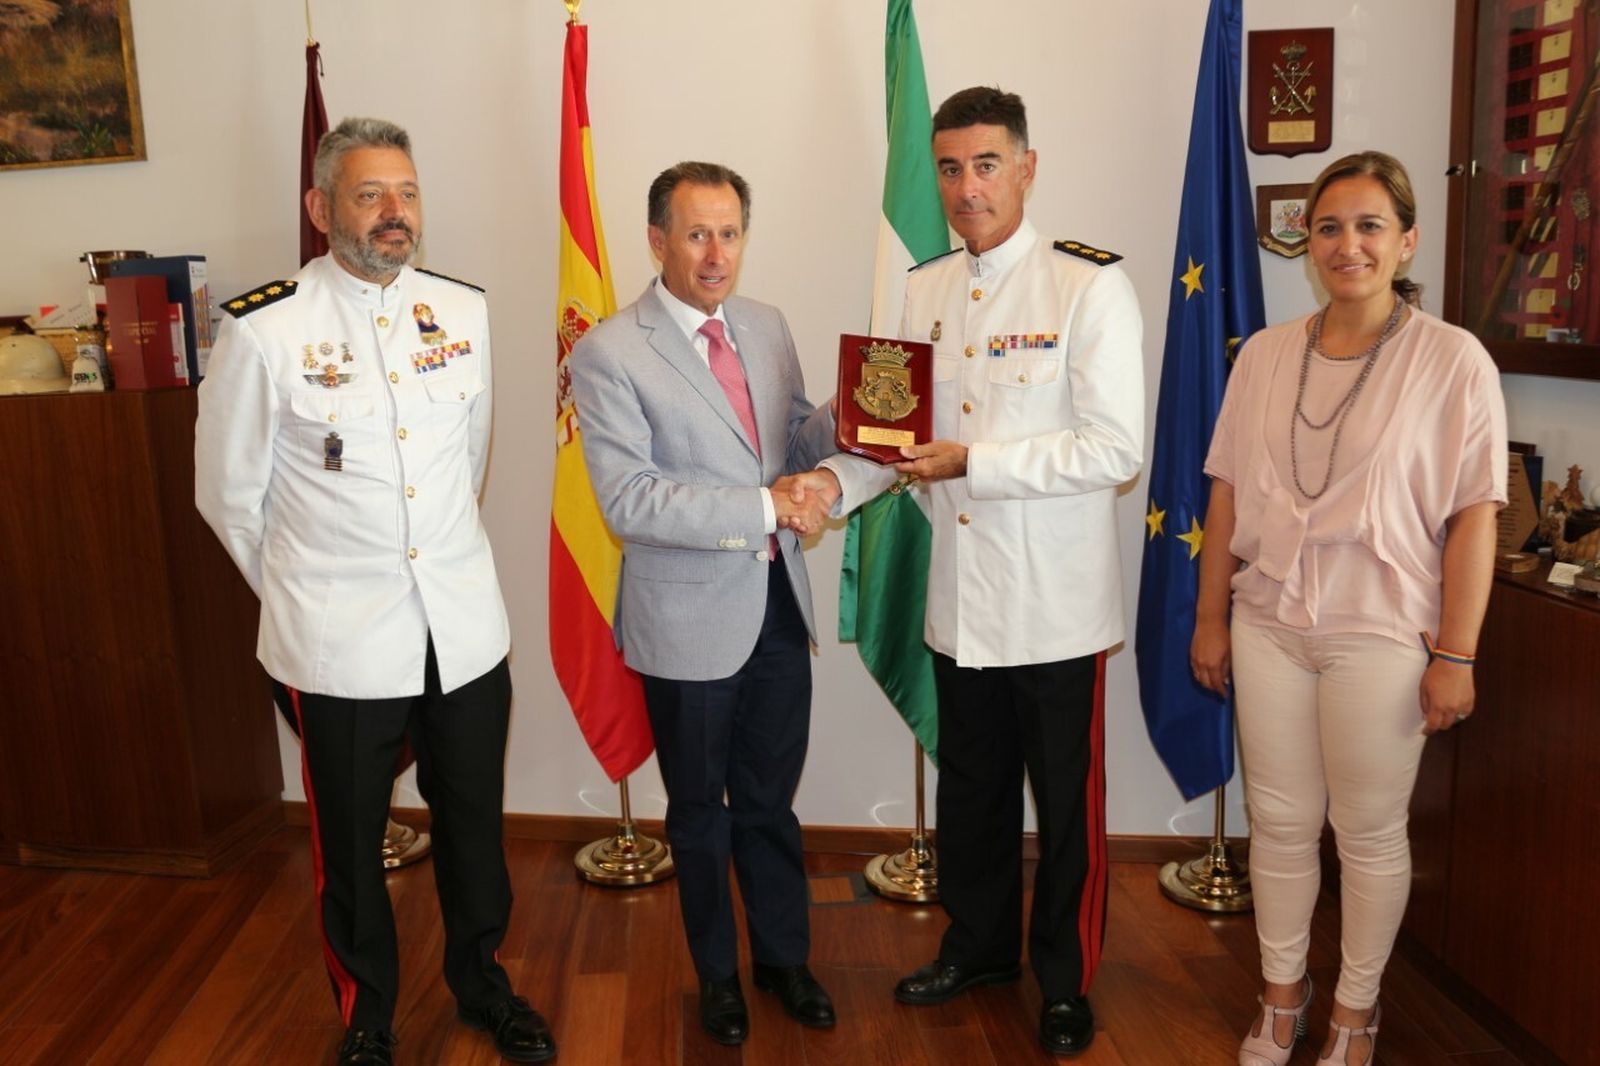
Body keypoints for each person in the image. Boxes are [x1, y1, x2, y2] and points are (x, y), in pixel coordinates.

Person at [195, 117, 554, 1066]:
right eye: (369, 195)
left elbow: (463, 464)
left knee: (474, 825)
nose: (396, 214)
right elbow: (229, 499)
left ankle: (484, 986)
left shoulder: (462, 311)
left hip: (464, 630)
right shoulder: (263, 327)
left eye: (407, 193)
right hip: (338, 641)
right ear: (320, 209)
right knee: (351, 848)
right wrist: (307, 594)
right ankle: (366, 1014)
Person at [810, 86, 1145, 1056]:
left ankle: (1064, 981)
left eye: (986, 163)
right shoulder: (920, 290)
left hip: (1055, 607)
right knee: (973, 793)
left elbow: (1113, 450)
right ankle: (980, 944)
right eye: (950, 167)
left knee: (1068, 812)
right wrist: (824, 488)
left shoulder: (1087, 285)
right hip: (962, 601)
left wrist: (976, 463)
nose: (966, 187)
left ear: (1027, 167)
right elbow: (892, 437)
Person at [1190, 151, 1507, 1066]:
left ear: (1406, 241)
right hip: (1269, 623)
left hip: (1383, 630)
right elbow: (1225, 492)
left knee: (1367, 834)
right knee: (1282, 824)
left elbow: (1475, 518)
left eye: (1370, 226)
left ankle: (1355, 1013)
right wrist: (1211, 617)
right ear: (1305, 242)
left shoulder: (1453, 361)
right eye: (1329, 226)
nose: (1347, 244)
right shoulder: (1265, 353)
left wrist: (1459, 654)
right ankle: (1282, 999)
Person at [567, 162, 838, 1047]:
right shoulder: (608, 350)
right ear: (657, 242)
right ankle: (717, 977)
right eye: (696, 233)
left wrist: (865, 406)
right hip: (685, 624)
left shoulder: (765, 326)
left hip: (775, 607)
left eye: (730, 232)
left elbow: (792, 436)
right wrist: (769, 507)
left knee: (769, 803)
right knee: (698, 814)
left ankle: (784, 962)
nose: (717, 253)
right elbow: (631, 502)